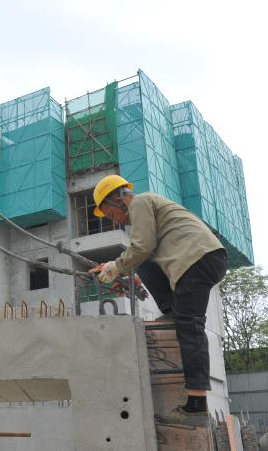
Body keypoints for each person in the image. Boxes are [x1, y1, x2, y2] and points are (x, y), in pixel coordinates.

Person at [90, 175, 227, 424]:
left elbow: (142, 247)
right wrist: (132, 278)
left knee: (189, 324)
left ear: (119, 200)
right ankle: (172, 311)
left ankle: (197, 404)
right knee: (144, 265)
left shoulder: (139, 202)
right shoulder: (147, 208)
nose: (115, 221)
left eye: (111, 214)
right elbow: (147, 253)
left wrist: (115, 267)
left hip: (198, 258)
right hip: (196, 258)